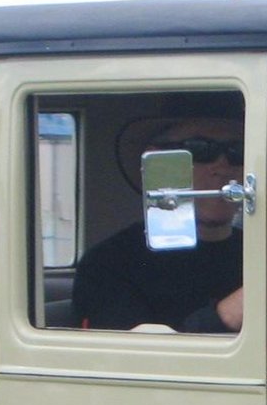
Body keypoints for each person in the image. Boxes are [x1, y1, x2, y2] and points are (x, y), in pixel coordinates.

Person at [73, 111, 245, 332]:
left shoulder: (266, 255)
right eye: (200, 149)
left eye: (237, 152)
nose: (222, 167)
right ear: (154, 161)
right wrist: (230, 313)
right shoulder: (109, 264)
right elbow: (131, 358)